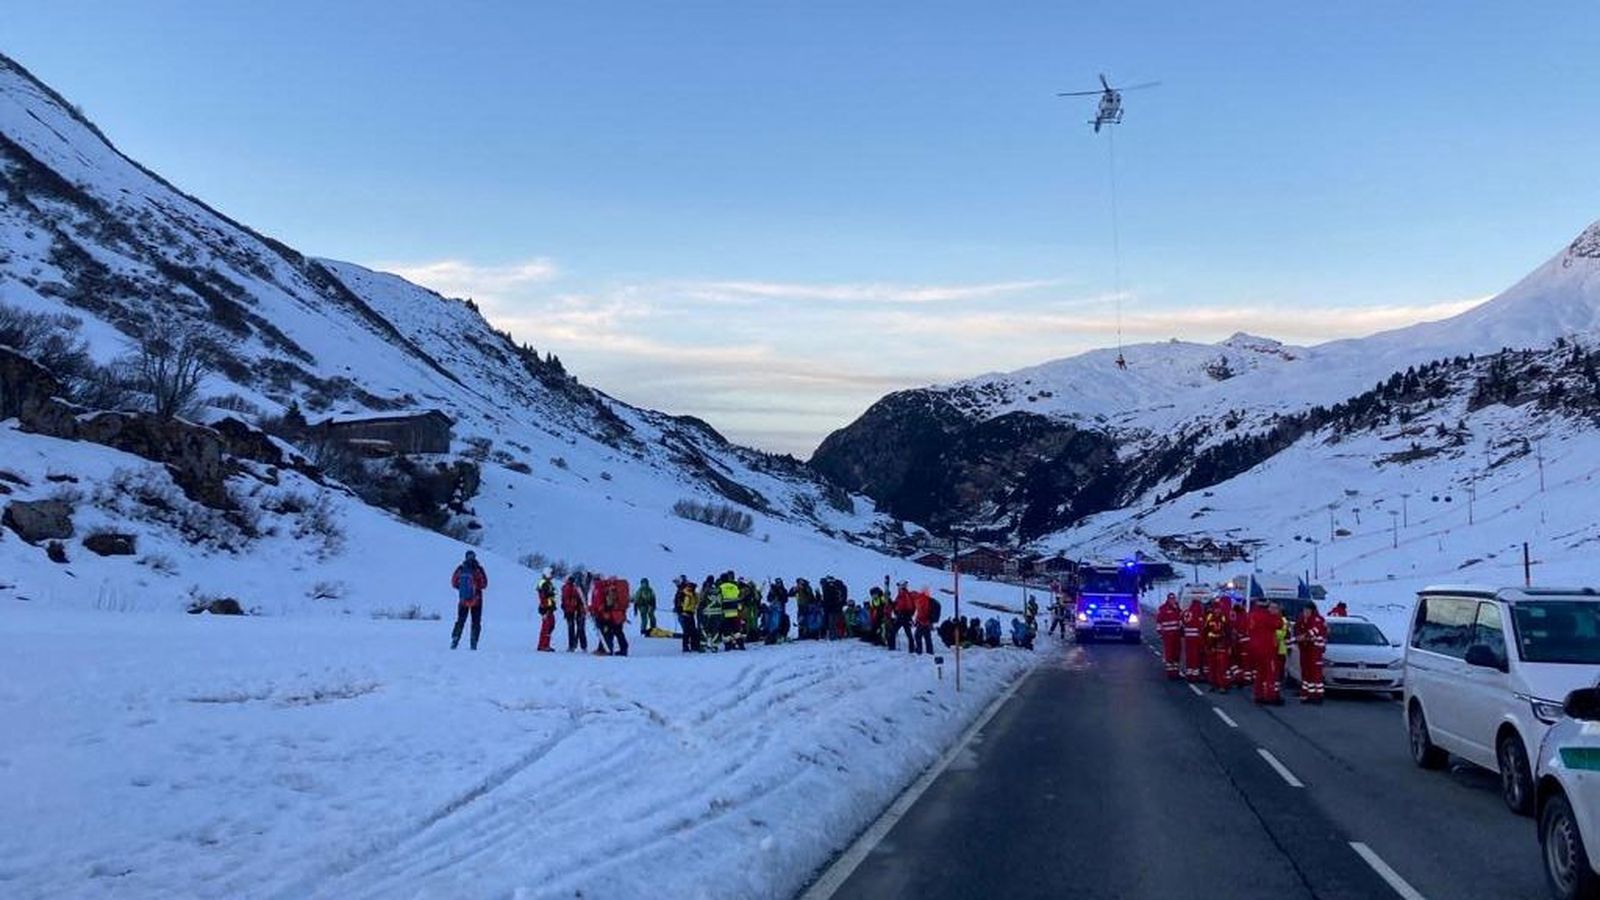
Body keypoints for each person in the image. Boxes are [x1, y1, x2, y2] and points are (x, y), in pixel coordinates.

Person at [1247, 599, 1284, 705]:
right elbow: (1279, 624)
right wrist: (1277, 614)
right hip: (1267, 649)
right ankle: (1270, 696)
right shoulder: (1267, 616)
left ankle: (1258, 695)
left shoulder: (1252, 614)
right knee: (1271, 673)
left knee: (1260, 673)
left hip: (1255, 648)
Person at [450, 550, 488, 650]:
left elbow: (454, 583)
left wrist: (462, 588)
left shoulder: (461, 568)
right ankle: (473, 642)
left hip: (463, 600)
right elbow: (484, 584)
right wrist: (476, 587)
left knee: (460, 620)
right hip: (477, 600)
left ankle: (455, 639)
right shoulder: (479, 569)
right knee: (476, 621)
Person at [1295, 602, 1328, 704]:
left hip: (1315, 651)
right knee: (1306, 673)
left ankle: (1317, 696)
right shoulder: (1302, 619)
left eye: (1307, 611)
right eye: (1304, 611)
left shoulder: (1317, 619)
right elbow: (1297, 629)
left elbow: (1315, 630)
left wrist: (1304, 636)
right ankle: (1306, 694)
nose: (1305, 613)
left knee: (1315, 674)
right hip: (1305, 650)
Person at [1204, 598, 1233, 693]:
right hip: (1212, 645)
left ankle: (1222, 685)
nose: (1217, 610)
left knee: (1222, 667)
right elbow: (1205, 631)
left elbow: (1228, 633)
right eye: (1215, 608)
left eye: (1218, 608)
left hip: (1222, 645)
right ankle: (1213, 684)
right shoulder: (1209, 617)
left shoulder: (1224, 618)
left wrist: (1228, 646)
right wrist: (1206, 644)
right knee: (1212, 667)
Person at [1155, 593, 1183, 680]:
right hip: (1168, 636)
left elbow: (1181, 620)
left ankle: (1176, 672)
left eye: (1174, 599)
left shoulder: (1177, 609)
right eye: (1171, 599)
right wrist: (1160, 633)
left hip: (1176, 635)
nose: (1172, 600)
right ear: (1168, 599)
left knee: (1177, 654)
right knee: (1169, 654)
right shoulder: (1163, 609)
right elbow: (1159, 622)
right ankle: (1170, 673)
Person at [1181, 596, 1206, 683]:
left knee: (1189, 656)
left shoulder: (1186, 612)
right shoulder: (1198, 613)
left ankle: (1189, 673)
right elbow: (1201, 626)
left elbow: (1182, 622)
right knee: (1195, 656)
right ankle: (1195, 676)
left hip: (1188, 637)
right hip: (1195, 638)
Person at [675, 576, 703, 653]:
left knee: (692, 631)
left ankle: (693, 646)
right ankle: (686, 646)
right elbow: (680, 604)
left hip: (689, 614)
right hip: (685, 614)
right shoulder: (685, 594)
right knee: (687, 631)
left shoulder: (689, 594)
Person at [1231, 597, 1254, 689]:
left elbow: (1236, 629)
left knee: (1242, 661)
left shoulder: (1239, 616)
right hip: (1245, 642)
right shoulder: (1246, 615)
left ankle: (1242, 678)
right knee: (1245, 661)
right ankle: (1245, 677)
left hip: (1242, 642)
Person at [560, 574, 587, 652]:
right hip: (574, 610)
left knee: (573, 628)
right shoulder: (577, 588)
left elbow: (564, 600)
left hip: (571, 610)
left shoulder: (566, 588)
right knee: (579, 628)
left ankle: (573, 646)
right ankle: (581, 646)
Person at [536, 569, 557, 652]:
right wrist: (546, 607)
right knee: (546, 627)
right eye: (551, 574)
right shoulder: (544, 583)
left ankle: (545, 644)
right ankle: (542, 645)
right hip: (546, 609)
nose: (552, 576)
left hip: (549, 608)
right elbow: (543, 597)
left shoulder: (548, 583)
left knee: (550, 626)